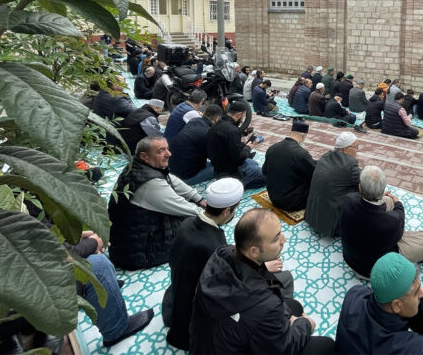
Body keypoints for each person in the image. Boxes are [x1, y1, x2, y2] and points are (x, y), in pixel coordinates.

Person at [189, 209, 335, 355]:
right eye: (276, 238)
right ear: (253, 252)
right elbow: (284, 349)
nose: (284, 239)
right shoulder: (267, 306)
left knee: (293, 306)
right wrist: (305, 324)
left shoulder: (222, 255)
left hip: (206, 345)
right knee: (326, 345)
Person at [335, 252, 423, 355]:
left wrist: (417, 290)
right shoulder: (409, 347)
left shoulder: (354, 294)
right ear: (396, 305)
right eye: (416, 292)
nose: (420, 295)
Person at [163, 178, 244, 350]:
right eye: (234, 210)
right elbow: (224, 290)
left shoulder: (187, 222)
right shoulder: (213, 248)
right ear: (227, 211)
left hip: (177, 299)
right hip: (191, 321)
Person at [108, 136, 206, 270]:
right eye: (161, 151)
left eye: (167, 149)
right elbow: (182, 206)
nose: (169, 154)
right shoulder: (150, 183)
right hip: (139, 253)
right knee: (197, 224)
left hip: (129, 242)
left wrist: (198, 198)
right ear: (144, 156)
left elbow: (172, 180)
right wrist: (210, 215)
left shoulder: (139, 167)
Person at [340, 166, 423, 277]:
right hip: (373, 271)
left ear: (360, 187)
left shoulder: (348, 200)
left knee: (388, 201)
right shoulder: (391, 222)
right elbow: (399, 215)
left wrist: (382, 198)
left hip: (350, 258)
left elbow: (362, 200)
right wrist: (398, 203)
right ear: (382, 190)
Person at [305, 132, 361, 237]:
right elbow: (366, 181)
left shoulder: (325, 156)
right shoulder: (350, 164)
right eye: (356, 147)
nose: (358, 150)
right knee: (362, 193)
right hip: (332, 224)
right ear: (346, 149)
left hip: (312, 215)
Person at [206, 101, 266, 189]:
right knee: (265, 176)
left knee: (254, 163)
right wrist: (248, 147)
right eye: (243, 116)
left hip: (219, 165)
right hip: (230, 171)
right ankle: (236, 186)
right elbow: (239, 158)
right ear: (239, 114)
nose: (243, 119)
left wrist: (243, 144)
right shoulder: (232, 130)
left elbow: (228, 145)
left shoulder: (219, 123)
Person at [262, 121, 316, 212]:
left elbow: (264, 171)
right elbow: (315, 173)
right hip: (291, 203)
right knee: (318, 181)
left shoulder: (272, 148)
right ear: (303, 136)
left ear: (290, 133)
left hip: (273, 197)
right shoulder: (301, 154)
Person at [168, 104, 222, 185]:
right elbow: (216, 157)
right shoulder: (208, 133)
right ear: (216, 119)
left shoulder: (194, 121)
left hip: (172, 169)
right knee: (224, 166)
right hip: (186, 177)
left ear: (203, 113)